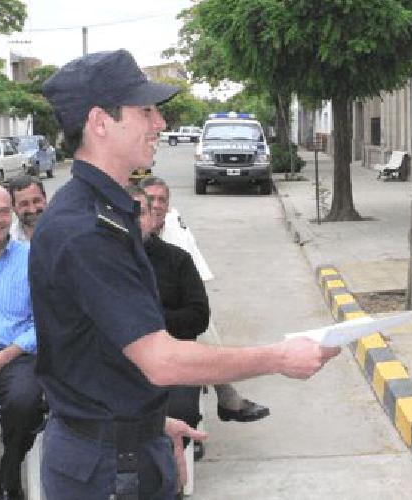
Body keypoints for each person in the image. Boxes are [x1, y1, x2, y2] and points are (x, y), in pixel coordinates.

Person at [31, 49, 340, 500]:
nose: (158, 123)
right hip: (108, 469)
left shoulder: (106, 212)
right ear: (100, 122)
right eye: (145, 111)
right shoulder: (85, 230)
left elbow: (98, 353)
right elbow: (161, 360)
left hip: (126, 449)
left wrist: (149, 427)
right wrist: (278, 357)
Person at [139, 175, 271, 423]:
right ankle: (226, 395)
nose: (156, 206)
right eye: (150, 201)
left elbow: (195, 295)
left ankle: (217, 400)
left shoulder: (175, 236)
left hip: (174, 330)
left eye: (161, 200)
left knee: (202, 324)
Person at [127, 185, 210, 462]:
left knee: (178, 410)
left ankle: (168, 477)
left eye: (140, 213)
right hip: (116, 367)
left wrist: (152, 322)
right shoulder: (96, 263)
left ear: (153, 217)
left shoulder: (177, 260)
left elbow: (199, 316)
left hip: (173, 358)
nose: (133, 220)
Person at [0, 182, 46, 500]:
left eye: (4, 211)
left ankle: (10, 469)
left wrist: (1, 358)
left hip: (15, 355)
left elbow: (43, 321)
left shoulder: (31, 260)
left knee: (26, 399)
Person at [7, 175, 47, 242]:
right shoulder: (7, 240)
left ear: (45, 198)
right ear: (13, 207)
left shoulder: (65, 232)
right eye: (24, 204)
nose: (32, 210)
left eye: (36, 201)